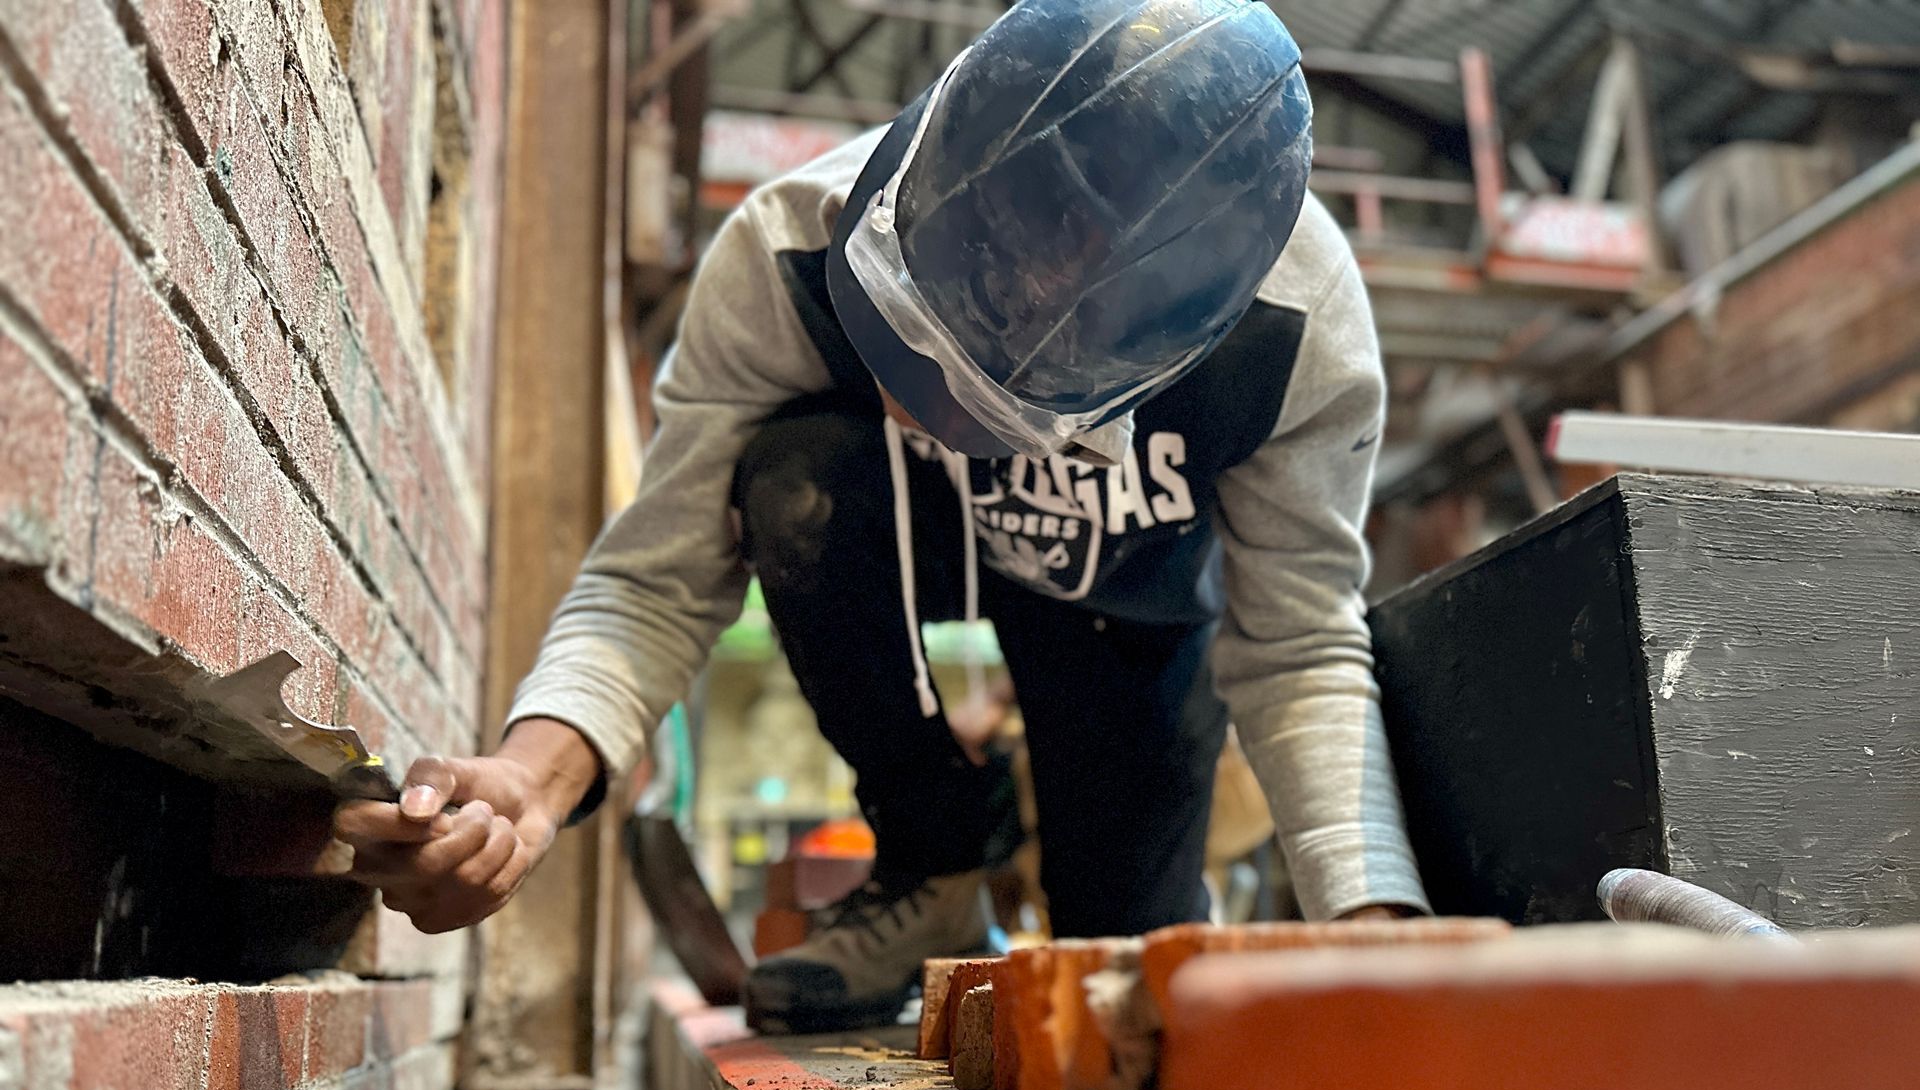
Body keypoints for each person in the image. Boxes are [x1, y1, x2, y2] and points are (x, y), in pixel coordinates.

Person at [334, 0, 1432, 1034]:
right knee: (796, 477)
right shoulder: (781, 251)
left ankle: (1097, 882)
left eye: (975, 407)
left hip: (1129, 616)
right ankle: (933, 863)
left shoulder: (1297, 339)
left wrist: (1372, 924)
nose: (919, 407)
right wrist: (532, 779)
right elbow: (655, 575)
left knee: (1115, 984)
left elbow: (1299, 645)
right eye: (896, 348)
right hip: (885, 534)